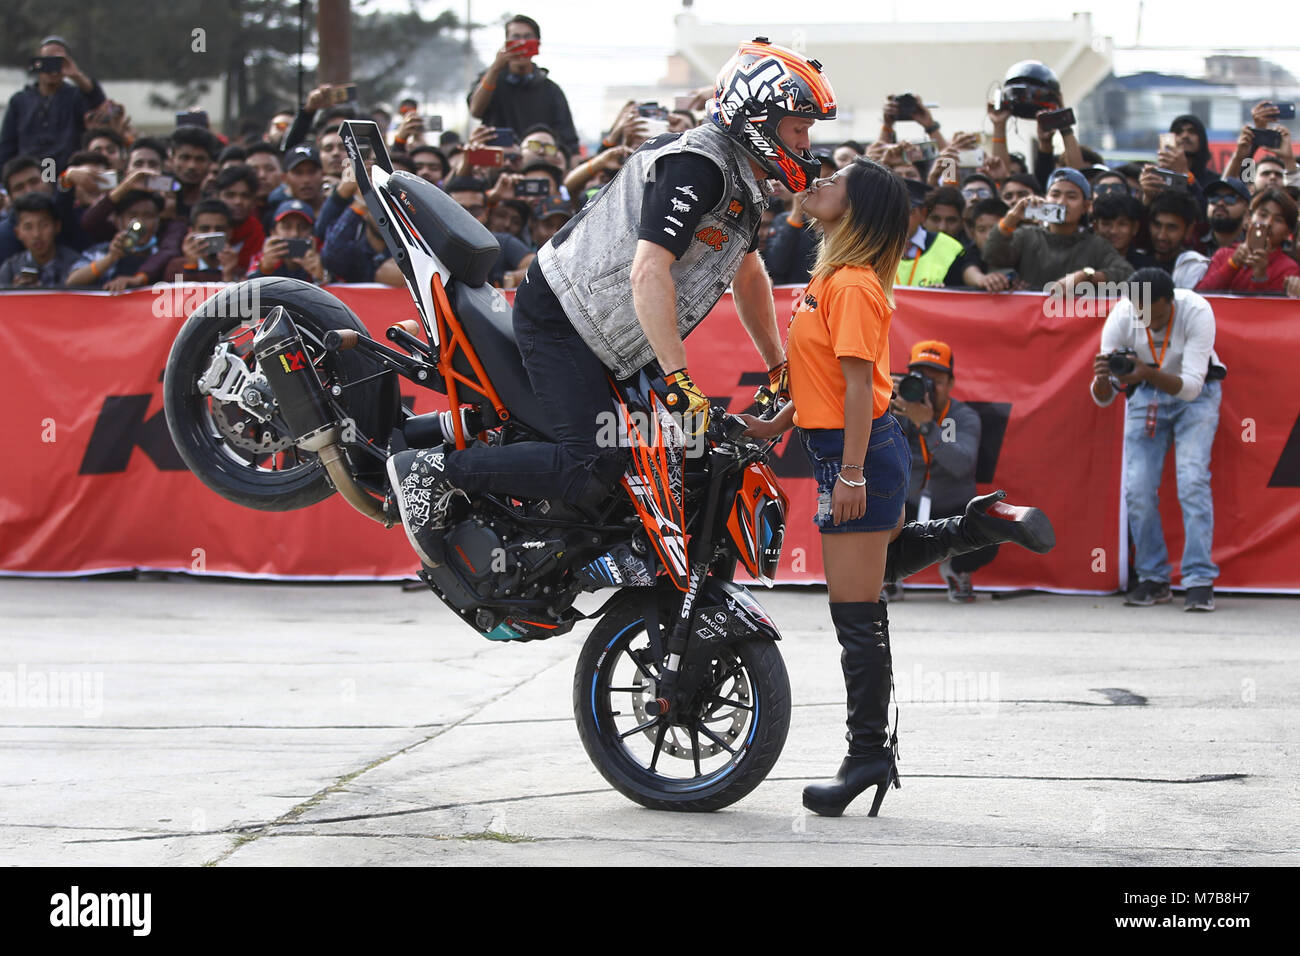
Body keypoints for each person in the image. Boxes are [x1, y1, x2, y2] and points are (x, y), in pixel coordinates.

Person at [386, 39, 834, 561]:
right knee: (590, 463)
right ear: (756, 118)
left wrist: (777, 363)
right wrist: (677, 378)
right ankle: (434, 471)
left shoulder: (745, 177)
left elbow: (749, 271)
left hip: (612, 331)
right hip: (565, 317)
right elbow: (649, 271)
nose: (806, 143)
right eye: (798, 128)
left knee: (662, 457)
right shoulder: (698, 166)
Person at [740, 160, 1055, 818]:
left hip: (859, 452)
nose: (820, 180)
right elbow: (822, 376)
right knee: (870, 575)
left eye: (837, 182)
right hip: (844, 446)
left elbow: (860, 387)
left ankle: (866, 757)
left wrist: (850, 473)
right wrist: (779, 418)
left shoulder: (852, 284)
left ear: (859, 211)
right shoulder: (832, 275)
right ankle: (976, 526)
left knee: (857, 614)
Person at [1090, 269, 1224, 611]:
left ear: (1170, 301)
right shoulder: (1122, 314)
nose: (1147, 322)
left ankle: (1199, 579)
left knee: (1192, 480)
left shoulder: (1197, 311)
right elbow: (1105, 398)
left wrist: (1147, 372)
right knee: (1136, 488)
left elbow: (1192, 388)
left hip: (1197, 395)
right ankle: (1153, 577)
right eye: (1141, 314)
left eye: (1156, 314)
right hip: (1145, 395)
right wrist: (1103, 381)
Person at [889, 341, 992, 602]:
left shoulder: (963, 417)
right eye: (920, 379)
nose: (928, 387)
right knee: (868, 515)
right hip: (907, 504)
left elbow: (961, 465)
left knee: (989, 532)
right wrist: (877, 403)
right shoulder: (896, 410)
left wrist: (927, 424)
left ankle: (957, 569)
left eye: (935, 380)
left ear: (950, 383)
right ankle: (887, 576)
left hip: (952, 506)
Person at [984, 167, 1133, 289]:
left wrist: (1085, 277)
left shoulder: (1096, 245)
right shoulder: (1026, 236)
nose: (1062, 202)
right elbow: (992, 255)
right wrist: (1011, 218)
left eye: (1071, 196)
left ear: (1086, 206)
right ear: (1045, 199)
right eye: (1055, 195)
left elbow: (1126, 274)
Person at [466, 15, 579, 156]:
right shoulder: (491, 79)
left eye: (527, 37)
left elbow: (568, 138)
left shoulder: (551, 90)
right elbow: (476, 110)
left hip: (537, 161)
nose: (521, 43)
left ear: (537, 44)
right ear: (506, 43)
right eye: (515, 37)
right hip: (499, 160)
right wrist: (495, 68)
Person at [0, 37, 106, 170]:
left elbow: (99, 103)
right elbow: (7, 146)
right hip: (30, 176)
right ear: (38, 63)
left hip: (68, 173)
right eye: (47, 60)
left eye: (58, 61)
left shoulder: (76, 96)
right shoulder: (20, 101)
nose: (52, 67)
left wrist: (76, 75)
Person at [65, 190, 175, 290]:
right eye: (132, 215)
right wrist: (111, 258)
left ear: (158, 221)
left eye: (148, 216)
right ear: (118, 221)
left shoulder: (164, 256)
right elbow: (72, 282)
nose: (140, 223)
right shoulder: (101, 252)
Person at [1196, 187, 1300, 293]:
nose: (1268, 223)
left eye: (1278, 220)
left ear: (1288, 233)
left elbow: (1265, 308)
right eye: (1263, 215)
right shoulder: (1224, 254)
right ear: (1248, 219)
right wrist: (1233, 264)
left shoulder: (1288, 269)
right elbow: (1202, 295)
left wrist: (1260, 276)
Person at [895, 179, 967, 288]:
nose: (898, 218)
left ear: (923, 214)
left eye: (908, 212)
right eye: (892, 211)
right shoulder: (871, 247)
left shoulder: (950, 248)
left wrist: (940, 294)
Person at [0, 192, 81, 287]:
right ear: (18, 233)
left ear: (57, 226)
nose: (36, 234)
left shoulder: (75, 264)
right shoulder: (10, 269)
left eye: (43, 225)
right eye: (28, 227)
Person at [247, 199, 327, 283]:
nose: (294, 234)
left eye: (303, 227)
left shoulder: (323, 255)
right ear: (273, 232)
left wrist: (321, 276)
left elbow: (337, 290)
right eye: (286, 227)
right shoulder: (263, 257)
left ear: (312, 233)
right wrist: (263, 270)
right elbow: (247, 292)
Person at [161, 199, 241, 282]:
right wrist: (191, 266)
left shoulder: (237, 269)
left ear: (230, 232)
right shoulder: (176, 266)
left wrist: (228, 274)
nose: (212, 233)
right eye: (204, 229)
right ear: (192, 231)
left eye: (219, 229)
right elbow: (178, 292)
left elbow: (234, 294)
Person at [1145, 191, 1209, 288]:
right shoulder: (1135, 261)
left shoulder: (1195, 266)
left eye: (1171, 228)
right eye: (1157, 225)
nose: (1161, 236)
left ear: (1189, 229)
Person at [1196, 178, 1250, 256]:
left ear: (1246, 209)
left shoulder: (1254, 248)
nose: (1220, 203)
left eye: (1230, 198)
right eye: (1214, 197)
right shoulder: (1194, 243)